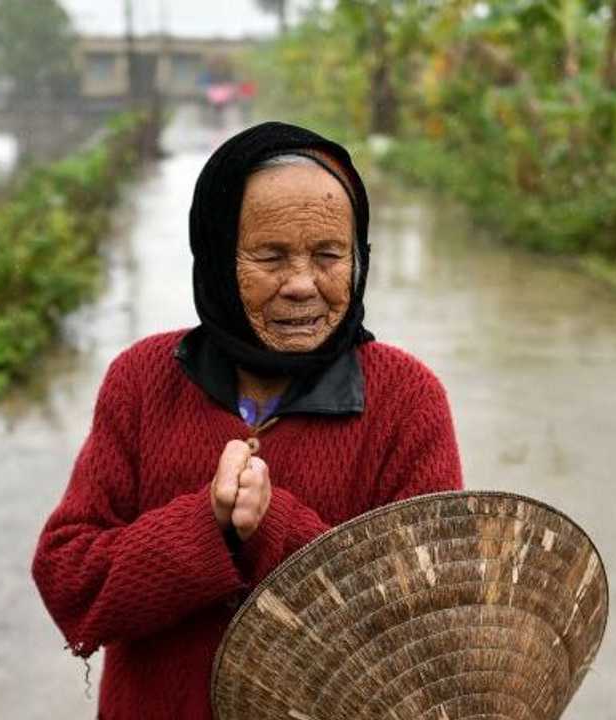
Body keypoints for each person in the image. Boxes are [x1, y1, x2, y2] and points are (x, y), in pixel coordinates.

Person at [31, 121, 465, 719]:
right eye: (270, 256)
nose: (302, 285)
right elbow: (71, 585)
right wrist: (203, 525)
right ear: (215, 256)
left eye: (328, 255)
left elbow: (421, 639)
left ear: (360, 258)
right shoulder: (142, 379)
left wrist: (273, 526)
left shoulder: (407, 400)